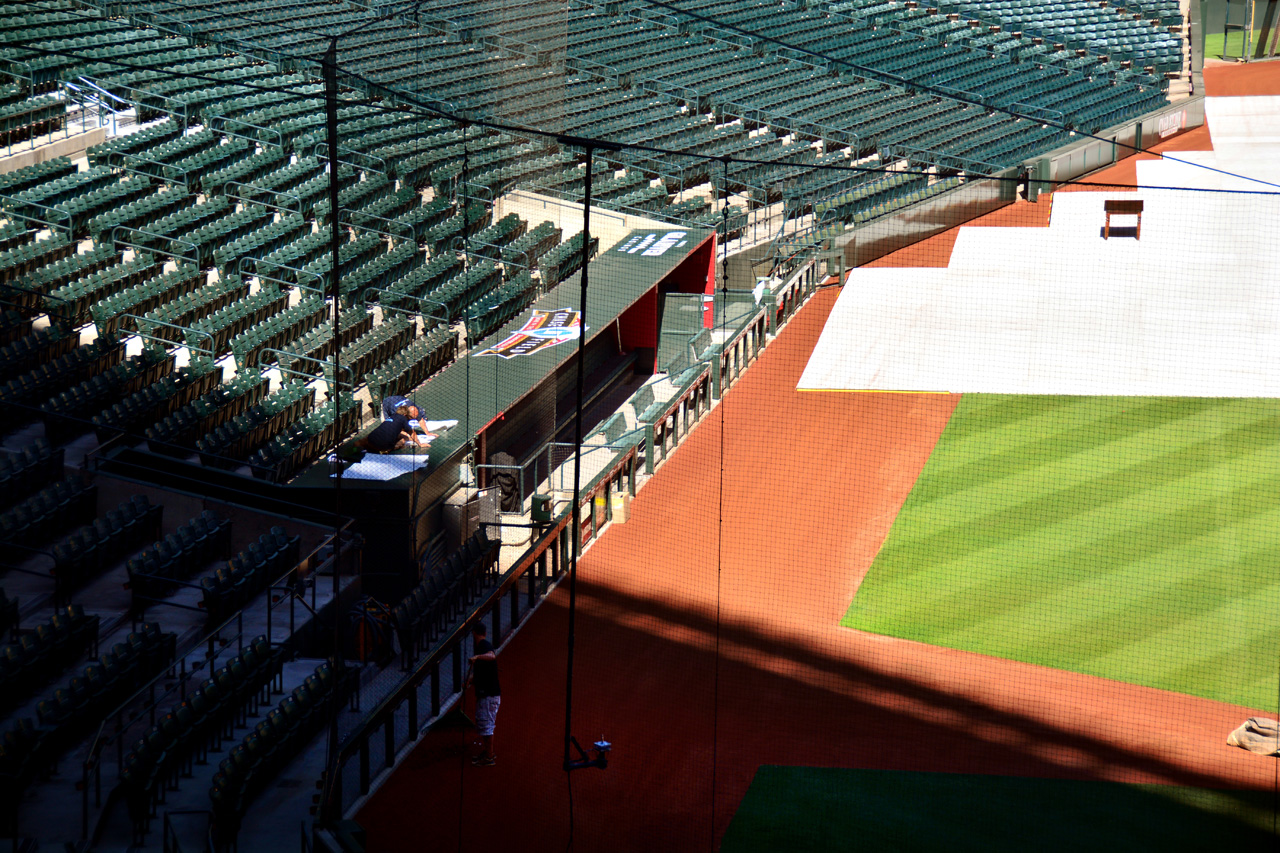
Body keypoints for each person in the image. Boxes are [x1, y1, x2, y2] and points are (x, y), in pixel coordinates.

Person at [468, 622, 500, 766]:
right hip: (485, 695)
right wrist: (470, 682)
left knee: (487, 726)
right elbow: (481, 673)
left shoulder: (484, 646)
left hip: (489, 696)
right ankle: (488, 752)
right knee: (483, 724)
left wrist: (477, 658)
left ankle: (489, 757)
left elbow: (492, 656)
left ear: (474, 633)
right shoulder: (480, 648)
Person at [354, 406, 427, 453]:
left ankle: (351, 452)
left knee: (360, 442)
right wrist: (420, 444)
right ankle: (386, 450)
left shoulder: (392, 416)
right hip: (382, 446)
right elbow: (412, 433)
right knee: (402, 440)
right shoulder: (404, 419)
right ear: (405, 414)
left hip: (371, 440)